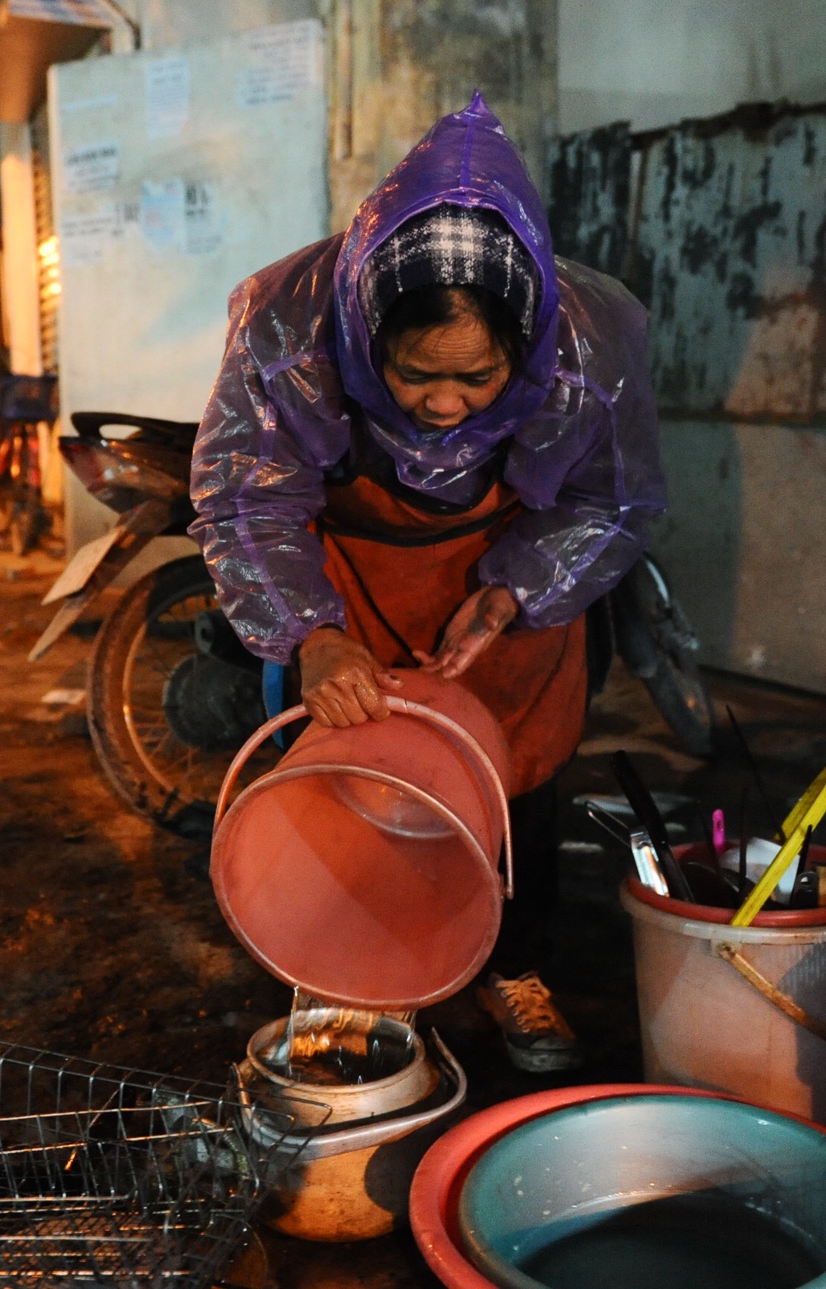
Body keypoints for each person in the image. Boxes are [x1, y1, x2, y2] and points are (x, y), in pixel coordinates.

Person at [191, 96, 666, 1072]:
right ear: (368, 337)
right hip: (349, 576)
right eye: (412, 375)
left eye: (480, 378)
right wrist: (310, 633)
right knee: (344, 770)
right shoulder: (287, 326)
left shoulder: (593, 342)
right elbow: (245, 499)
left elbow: (615, 499)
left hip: (513, 573)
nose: (445, 404)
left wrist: (515, 592)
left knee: (520, 775)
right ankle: (348, 960)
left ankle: (515, 963)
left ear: (525, 348)